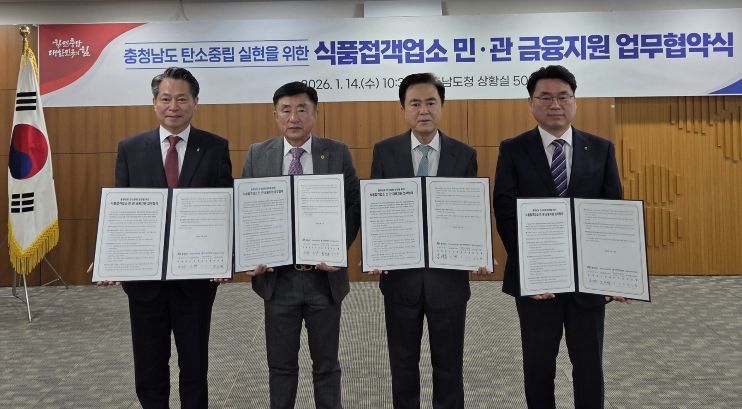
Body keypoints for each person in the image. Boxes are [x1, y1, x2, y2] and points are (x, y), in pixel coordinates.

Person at [492, 65, 628, 409]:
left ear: (575, 101)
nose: (555, 104)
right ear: (531, 103)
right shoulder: (514, 149)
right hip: (538, 281)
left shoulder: (601, 148)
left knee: (589, 364)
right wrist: (529, 270)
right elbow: (505, 212)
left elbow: (612, 212)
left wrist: (613, 272)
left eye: (563, 96)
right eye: (545, 97)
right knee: (538, 363)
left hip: (588, 280)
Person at [99, 66, 233, 409]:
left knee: (195, 365)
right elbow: (122, 209)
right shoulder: (130, 148)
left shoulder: (215, 147)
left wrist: (225, 257)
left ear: (195, 102)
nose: (173, 106)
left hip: (195, 278)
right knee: (149, 365)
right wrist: (110, 258)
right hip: (145, 278)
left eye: (182, 99)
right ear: (154, 102)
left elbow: (224, 208)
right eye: (165, 98)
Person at [369, 72, 491, 409]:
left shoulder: (463, 154)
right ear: (403, 109)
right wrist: (375, 250)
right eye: (415, 104)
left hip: (448, 280)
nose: (423, 110)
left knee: (449, 367)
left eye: (431, 102)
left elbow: (471, 211)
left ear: (442, 106)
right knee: (402, 365)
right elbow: (376, 208)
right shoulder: (385, 151)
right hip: (400, 279)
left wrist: (478, 250)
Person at [241, 81, 361, 409]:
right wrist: (251, 254)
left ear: (315, 113)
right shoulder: (257, 154)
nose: (294, 117)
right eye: (286, 110)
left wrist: (338, 248)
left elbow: (354, 204)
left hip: (324, 278)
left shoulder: (336, 152)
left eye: (302, 109)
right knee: (281, 367)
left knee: (326, 365)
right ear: (275, 115)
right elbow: (246, 208)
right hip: (278, 279)